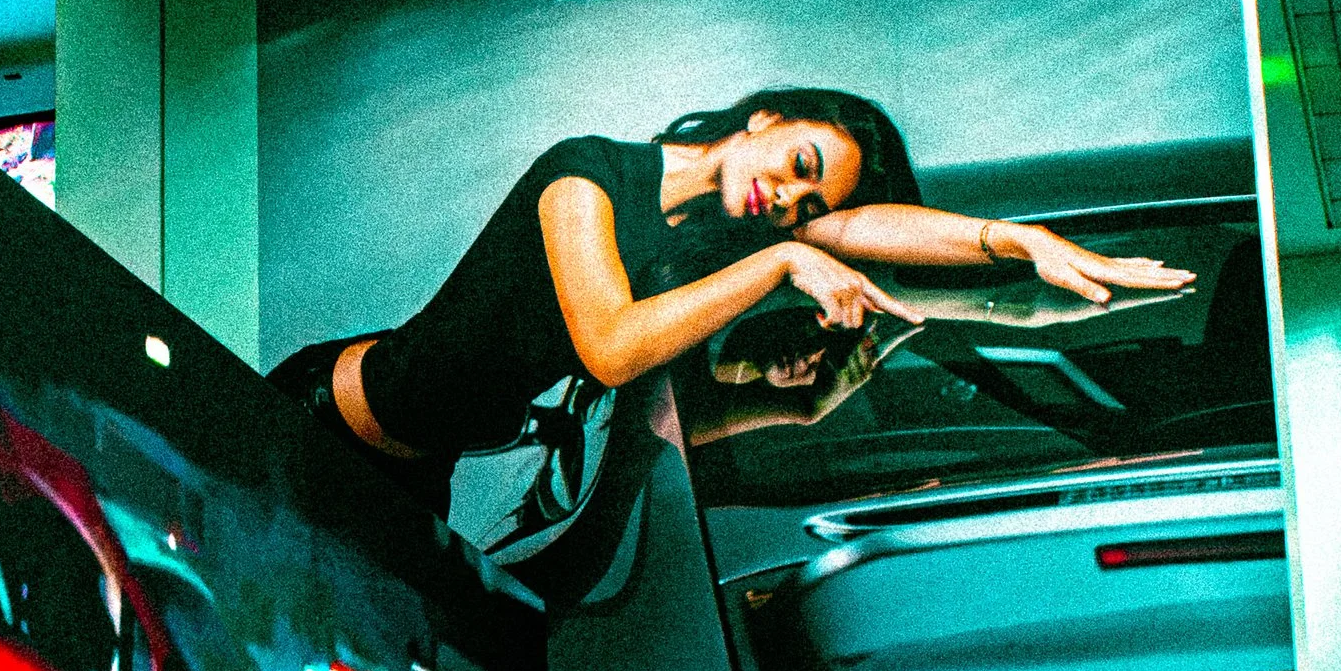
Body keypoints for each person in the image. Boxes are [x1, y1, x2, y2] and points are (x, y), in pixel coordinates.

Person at [269, 87, 1193, 516]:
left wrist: (1017, 240)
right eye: (797, 165)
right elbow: (611, 352)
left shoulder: (717, 243)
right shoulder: (583, 173)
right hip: (316, 424)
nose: (789, 200)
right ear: (764, 119)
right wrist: (783, 260)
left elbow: (872, 236)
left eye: (807, 202)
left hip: (413, 478)